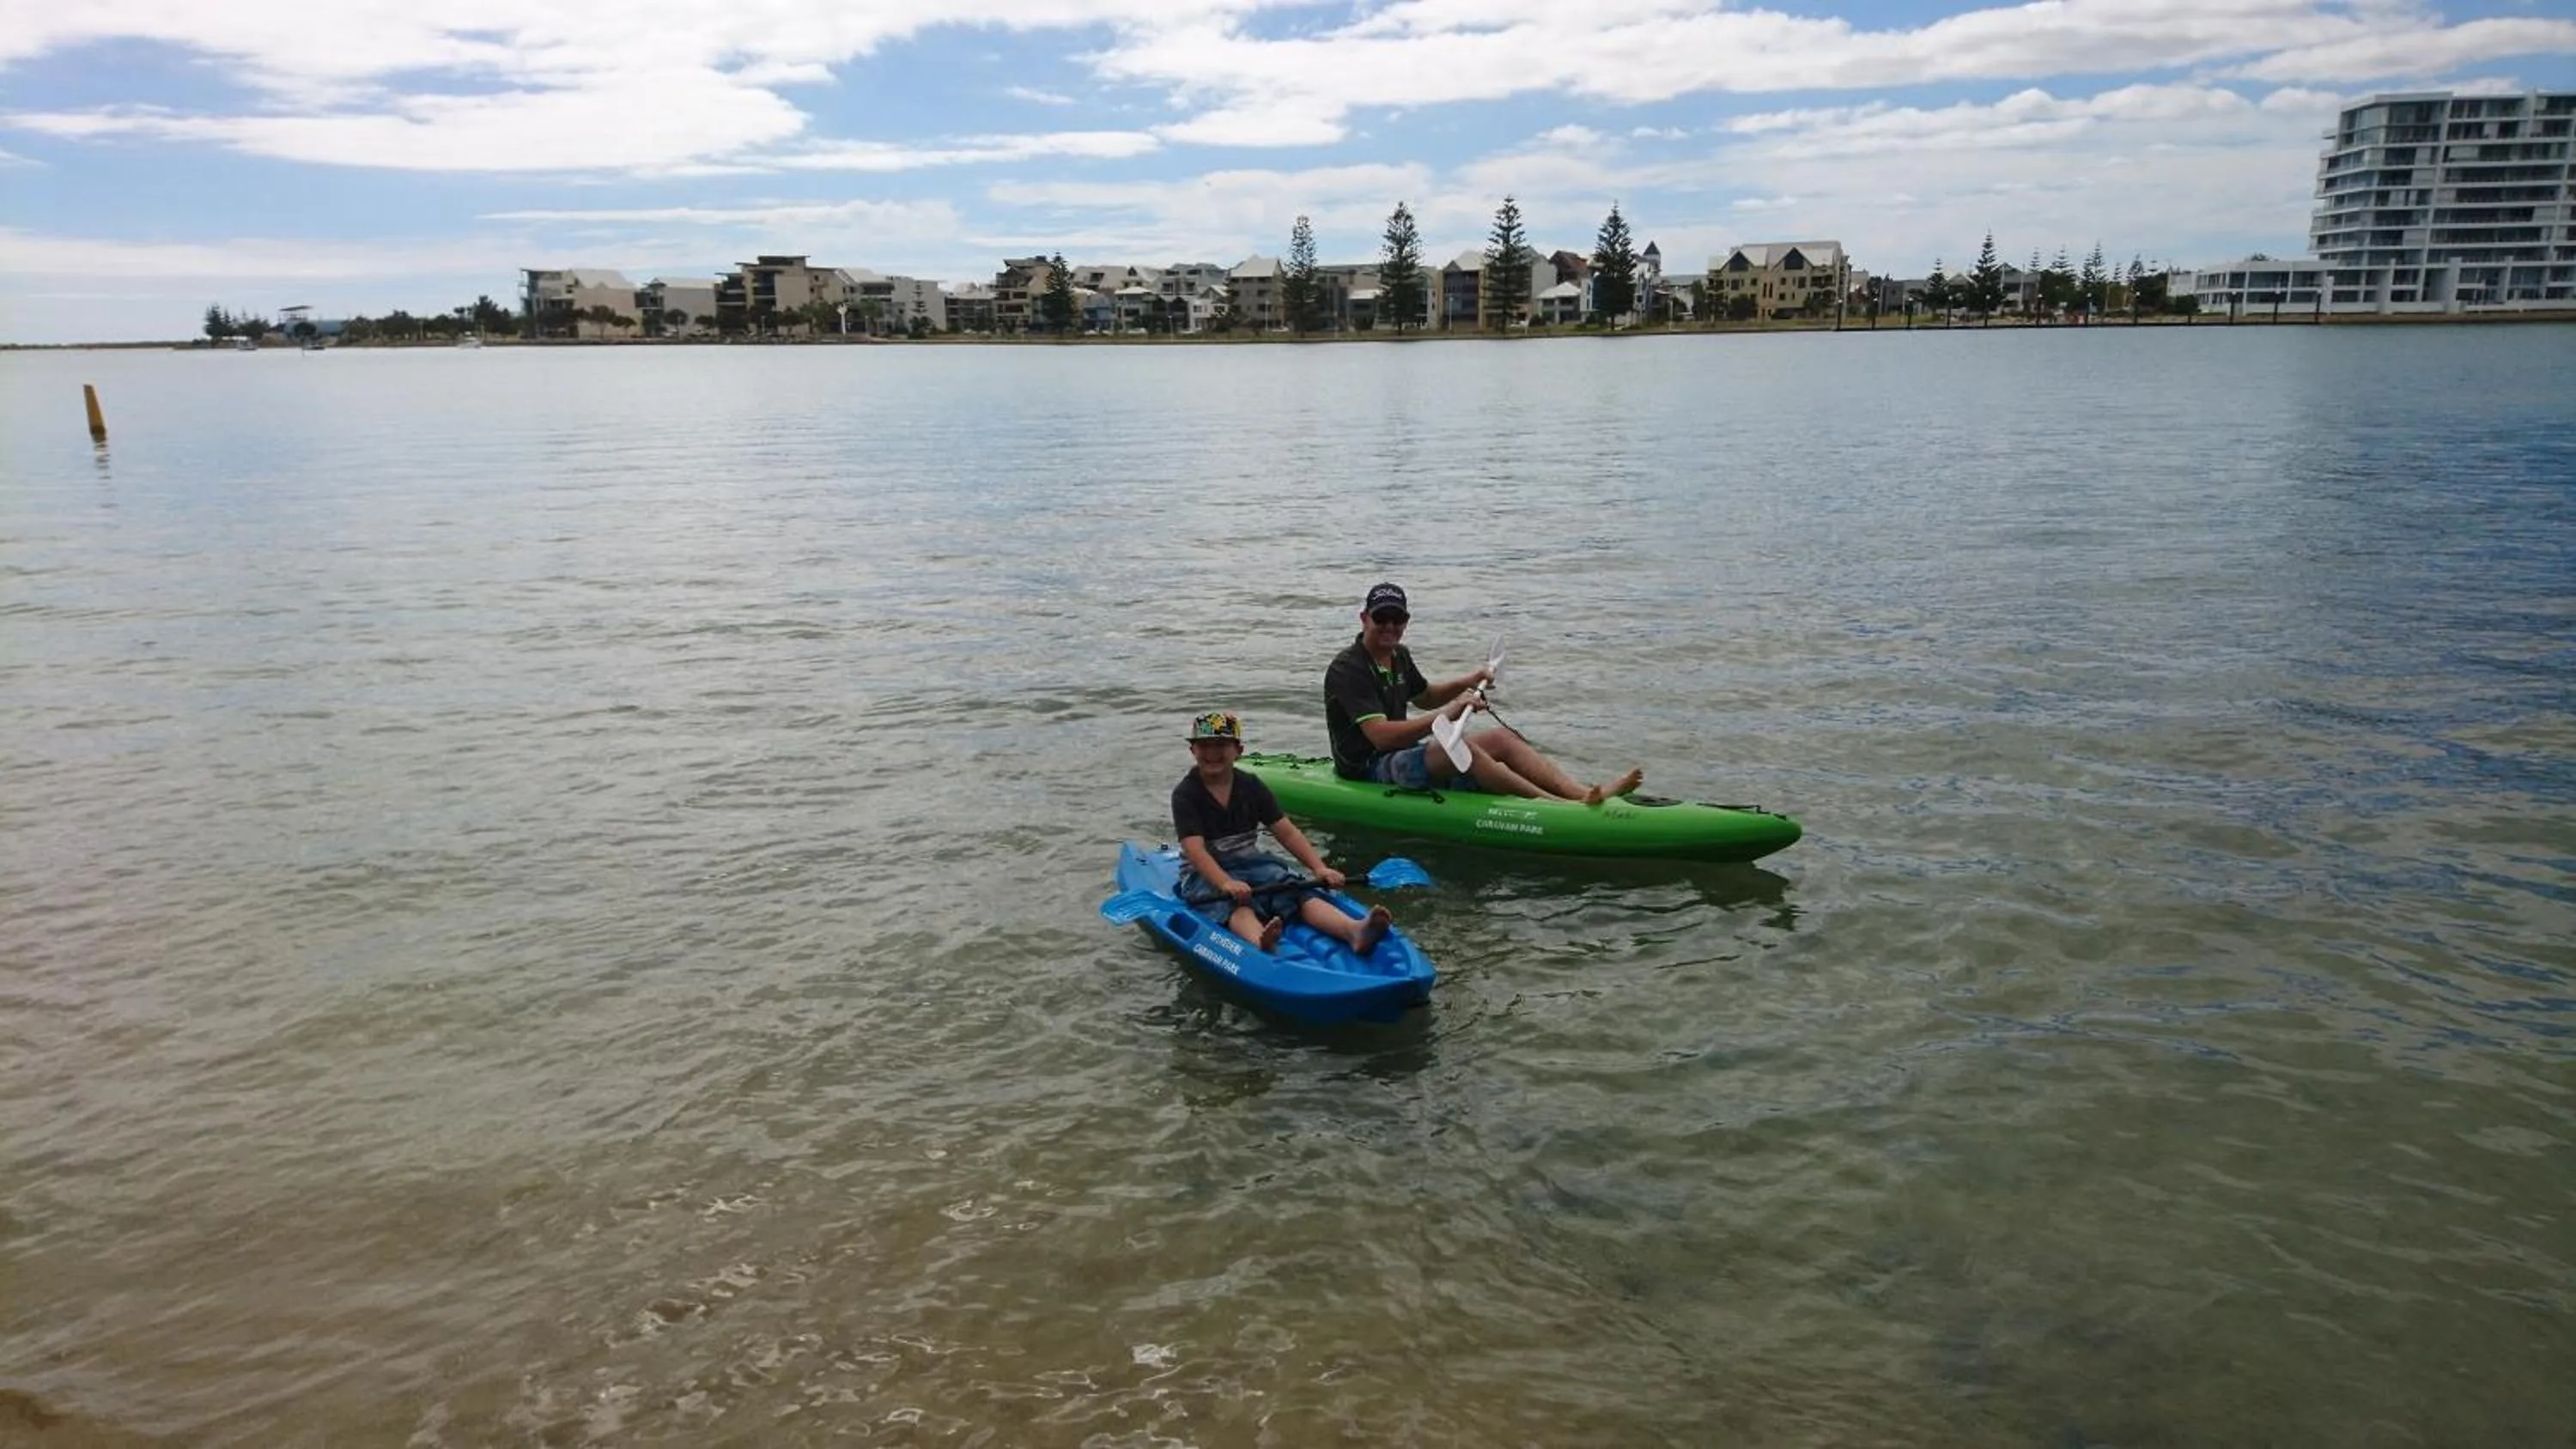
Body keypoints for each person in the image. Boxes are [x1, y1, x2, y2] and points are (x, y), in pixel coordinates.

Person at [1323, 582, 1643, 803]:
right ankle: (1560, 807)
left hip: (1398, 755)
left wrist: (1470, 680)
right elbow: (1381, 737)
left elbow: (1426, 696)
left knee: (1502, 739)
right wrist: (1450, 712)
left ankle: (1581, 794)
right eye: (1381, 618)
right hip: (1366, 769)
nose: (1390, 625)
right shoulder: (1348, 668)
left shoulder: (1399, 655)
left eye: (1399, 618)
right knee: (1464, 751)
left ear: (1406, 621)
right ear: (1364, 618)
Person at [1172, 711, 1394, 955]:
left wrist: (1319, 868)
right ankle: (1259, 941)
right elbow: (1195, 851)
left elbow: (1286, 833)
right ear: (1193, 751)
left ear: (1239, 750)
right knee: (1236, 906)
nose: (1212, 753)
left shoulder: (1252, 786)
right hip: (1204, 874)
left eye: (1221, 745)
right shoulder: (1186, 794)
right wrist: (1225, 883)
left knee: (1296, 890)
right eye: (1204, 746)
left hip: (1250, 863)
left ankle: (1354, 931)